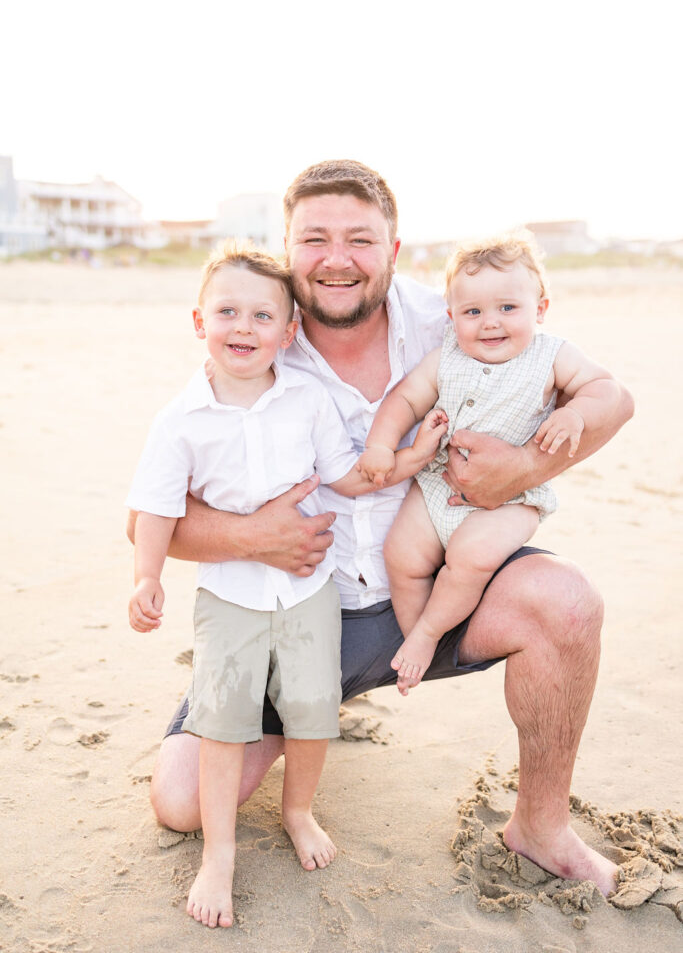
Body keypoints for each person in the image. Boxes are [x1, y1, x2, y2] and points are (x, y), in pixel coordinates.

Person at [127, 160, 633, 900]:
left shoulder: (460, 317)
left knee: (566, 602)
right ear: (288, 246)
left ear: (394, 250)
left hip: (432, 595)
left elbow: (611, 399)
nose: (336, 258)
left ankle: (541, 828)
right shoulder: (254, 339)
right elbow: (150, 519)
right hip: (296, 617)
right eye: (315, 239)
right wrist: (249, 538)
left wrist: (521, 467)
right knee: (177, 805)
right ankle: (314, 703)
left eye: (359, 239)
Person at [126, 243, 444, 929]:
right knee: (222, 724)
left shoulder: (304, 397)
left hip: (308, 593)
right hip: (230, 599)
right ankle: (219, 853)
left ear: (288, 331)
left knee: (309, 709)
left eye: (261, 315)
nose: (243, 326)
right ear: (197, 320)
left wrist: (411, 458)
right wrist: (146, 577)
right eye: (227, 311)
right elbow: (155, 507)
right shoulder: (180, 419)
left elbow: (345, 472)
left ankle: (298, 810)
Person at [357, 232, 622, 695]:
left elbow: (606, 388)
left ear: (539, 309)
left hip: (510, 502)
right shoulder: (446, 358)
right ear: (451, 317)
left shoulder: (551, 355)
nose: (490, 323)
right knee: (401, 556)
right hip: (437, 487)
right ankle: (418, 634)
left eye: (508, 308)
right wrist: (381, 444)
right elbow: (404, 400)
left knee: (471, 558)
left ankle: (427, 634)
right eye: (473, 312)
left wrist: (574, 411)